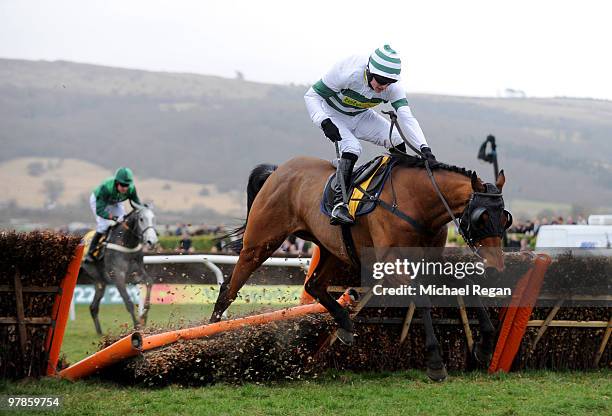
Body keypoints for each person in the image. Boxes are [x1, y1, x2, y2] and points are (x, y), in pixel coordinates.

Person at [304, 44, 436, 225]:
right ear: (369, 71)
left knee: (396, 139)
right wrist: (323, 121)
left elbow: (407, 118)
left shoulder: (391, 87)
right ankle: (339, 204)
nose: (384, 86)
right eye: (380, 81)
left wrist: (424, 148)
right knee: (352, 148)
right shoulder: (348, 71)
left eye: (389, 82)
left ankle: (394, 192)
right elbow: (311, 96)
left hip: (361, 115)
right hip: (334, 115)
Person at [84, 167, 141, 262]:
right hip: (99, 201)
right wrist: (114, 217)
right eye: (122, 185)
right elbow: (100, 210)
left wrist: (145, 209)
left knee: (124, 222)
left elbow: (137, 204)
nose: (125, 188)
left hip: (115, 201)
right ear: (116, 182)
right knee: (104, 225)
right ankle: (90, 252)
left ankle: (123, 246)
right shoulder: (106, 188)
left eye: (127, 185)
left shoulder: (131, 189)